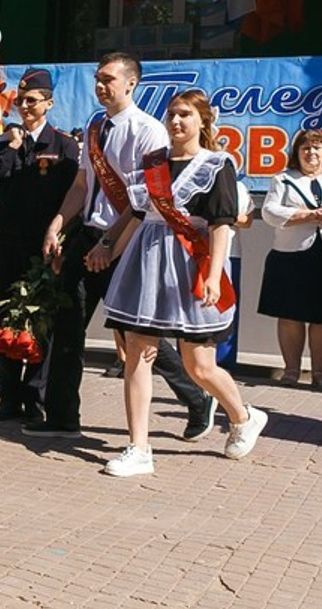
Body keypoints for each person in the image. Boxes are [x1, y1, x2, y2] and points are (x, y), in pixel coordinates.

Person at [39, 52, 215, 441]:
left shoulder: (150, 131)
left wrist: (109, 243)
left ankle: (197, 398)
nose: (101, 86)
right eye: (97, 79)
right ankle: (62, 416)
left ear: (131, 83)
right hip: (88, 235)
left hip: (129, 240)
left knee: (137, 332)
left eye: (109, 79)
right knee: (69, 322)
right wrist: (57, 224)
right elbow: (82, 185)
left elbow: (145, 201)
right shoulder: (95, 127)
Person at [97, 89, 268, 476]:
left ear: (203, 121)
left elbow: (222, 224)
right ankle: (139, 447)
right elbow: (139, 216)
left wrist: (212, 274)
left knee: (199, 365)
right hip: (147, 260)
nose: (176, 121)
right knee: (139, 351)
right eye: (172, 114)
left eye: (185, 115)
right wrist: (108, 247)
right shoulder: (153, 163)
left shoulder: (217, 164)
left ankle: (243, 416)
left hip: (190, 262)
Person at [0, 68, 80, 423]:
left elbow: (72, 197)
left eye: (32, 101)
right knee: (4, 314)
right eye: (20, 101)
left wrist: (61, 240)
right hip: (7, 241)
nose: (25, 107)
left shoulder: (63, 145)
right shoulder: (6, 141)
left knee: (40, 319)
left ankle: (35, 396)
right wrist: (12, 146)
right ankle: (8, 396)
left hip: (43, 246)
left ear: (49, 103)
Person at [257, 128, 322, 386]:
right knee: (290, 315)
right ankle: (291, 371)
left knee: (320, 318)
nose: (312, 153)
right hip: (290, 256)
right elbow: (270, 212)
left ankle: (319, 374)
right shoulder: (282, 179)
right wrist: (307, 216)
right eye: (305, 148)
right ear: (296, 153)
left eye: (317, 147)